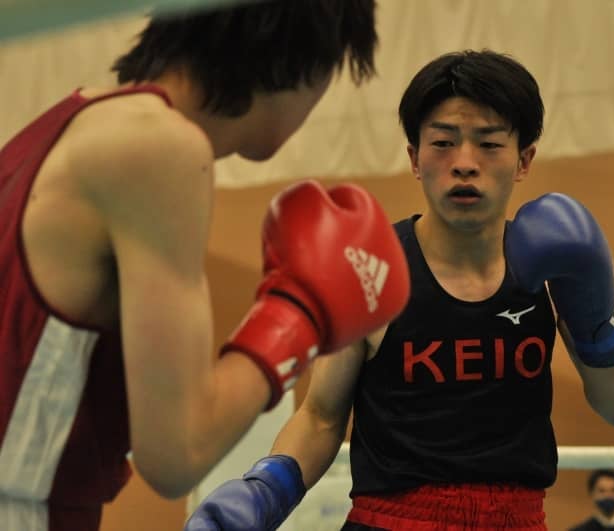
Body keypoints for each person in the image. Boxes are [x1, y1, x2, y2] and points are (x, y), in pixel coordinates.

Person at [184, 49, 614, 531]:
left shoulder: (554, 266)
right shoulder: (369, 271)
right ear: (414, 158)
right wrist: (265, 490)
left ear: (523, 160)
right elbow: (320, 418)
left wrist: (597, 322)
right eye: (443, 143)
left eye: (489, 144)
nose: (464, 163)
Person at [0, 2, 412, 531]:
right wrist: (299, 314)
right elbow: (178, 454)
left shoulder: (70, 120)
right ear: (304, 60)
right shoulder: (161, 147)